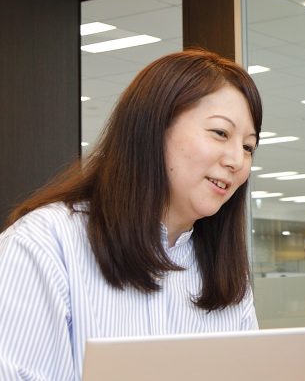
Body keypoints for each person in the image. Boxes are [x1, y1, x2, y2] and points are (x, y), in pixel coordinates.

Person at [0, 49, 262, 380]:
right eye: (220, 133)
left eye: (248, 147)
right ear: (153, 127)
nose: (237, 161)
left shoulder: (225, 274)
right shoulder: (45, 244)